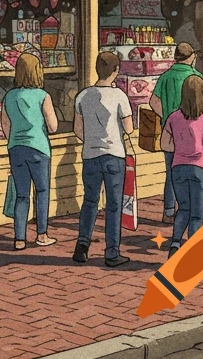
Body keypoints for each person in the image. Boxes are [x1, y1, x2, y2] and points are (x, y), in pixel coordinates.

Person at [73, 51, 134, 267]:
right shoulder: (119, 96)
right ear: (116, 71)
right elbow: (129, 129)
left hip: (90, 154)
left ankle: (82, 245)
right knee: (113, 205)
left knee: (90, 201)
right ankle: (112, 251)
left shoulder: (82, 95)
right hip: (114, 155)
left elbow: (77, 130)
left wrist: (92, 138)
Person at [1, 54, 59, 250]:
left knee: (21, 194)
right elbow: (53, 126)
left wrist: (16, 136)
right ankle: (42, 235)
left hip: (15, 148)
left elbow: (5, 124)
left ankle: (19, 239)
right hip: (38, 148)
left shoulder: (9, 96)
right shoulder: (43, 96)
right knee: (42, 191)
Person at [160, 75, 203, 256]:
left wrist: (179, 147)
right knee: (197, 213)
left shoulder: (173, 117)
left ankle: (175, 243)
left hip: (178, 167)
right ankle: (193, 251)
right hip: (200, 168)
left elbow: (164, 145)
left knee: (183, 208)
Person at [149, 42, 198, 224]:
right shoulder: (195, 77)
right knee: (192, 171)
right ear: (191, 57)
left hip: (169, 132)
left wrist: (167, 117)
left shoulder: (166, 77)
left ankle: (169, 211)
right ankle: (191, 210)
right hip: (192, 133)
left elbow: (154, 102)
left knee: (171, 172)